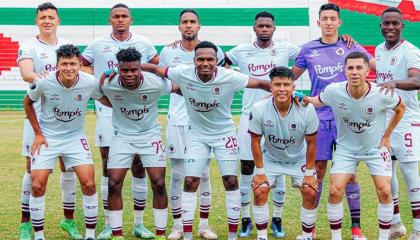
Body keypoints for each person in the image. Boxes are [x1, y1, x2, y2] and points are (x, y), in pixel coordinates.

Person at [139, 40, 271, 240]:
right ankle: (188, 235)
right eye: (200, 59)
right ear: (194, 60)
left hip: (224, 134)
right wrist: (121, 69)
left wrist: (286, 92)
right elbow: (156, 69)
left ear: (217, 61)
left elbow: (261, 83)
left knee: (231, 180)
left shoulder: (230, 77)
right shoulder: (182, 72)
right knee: (190, 180)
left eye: (210, 59)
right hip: (197, 135)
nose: (205, 63)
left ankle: (232, 236)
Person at [291, 3, 375, 239]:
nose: (328, 22)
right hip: (319, 118)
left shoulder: (350, 46)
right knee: (317, 171)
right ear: (318, 23)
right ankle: (310, 229)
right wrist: (277, 89)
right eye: (324, 18)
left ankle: (356, 228)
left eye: (333, 18)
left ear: (340, 23)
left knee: (350, 173)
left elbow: (374, 66)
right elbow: (291, 77)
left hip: (347, 118)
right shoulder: (308, 48)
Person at [304, 51, 405, 240]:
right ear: (344, 71)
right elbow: (315, 102)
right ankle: (336, 237)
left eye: (359, 67)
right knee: (335, 190)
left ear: (368, 70)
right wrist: (298, 98)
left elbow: (400, 108)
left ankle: (383, 237)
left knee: (384, 190)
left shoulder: (381, 93)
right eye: (350, 68)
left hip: (375, 150)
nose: (354, 72)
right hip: (346, 150)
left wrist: (387, 136)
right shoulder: (334, 90)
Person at [80, 3, 159, 239]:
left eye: (124, 16)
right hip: (107, 108)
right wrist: (99, 83)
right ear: (110, 20)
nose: (120, 20)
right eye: (116, 16)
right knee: (108, 164)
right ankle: (109, 223)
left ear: (131, 20)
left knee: (138, 164)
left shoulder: (143, 42)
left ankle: (138, 223)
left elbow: (155, 66)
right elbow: (84, 65)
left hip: (136, 109)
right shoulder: (97, 44)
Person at [23, 44, 111, 240]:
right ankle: (39, 236)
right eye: (64, 64)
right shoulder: (44, 83)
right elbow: (27, 102)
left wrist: (124, 105)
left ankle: (89, 235)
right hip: (48, 137)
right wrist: (38, 134)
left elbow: (105, 99)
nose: (69, 68)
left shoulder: (89, 82)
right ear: (57, 65)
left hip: (75, 137)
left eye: (72, 63)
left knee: (89, 183)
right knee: (37, 185)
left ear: (80, 64)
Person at [224, 11, 299, 237]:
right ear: (254, 28)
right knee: (247, 167)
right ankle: (246, 219)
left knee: (280, 165)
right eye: (260, 26)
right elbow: (221, 61)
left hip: (279, 116)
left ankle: (276, 218)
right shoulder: (241, 51)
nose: (264, 29)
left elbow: (311, 54)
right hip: (249, 115)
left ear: (274, 29)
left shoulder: (286, 48)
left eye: (268, 26)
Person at [98, 47, 178, 240]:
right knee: (114, 183)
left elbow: (178, 87)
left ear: (140, 68)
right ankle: (117, 234)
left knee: (158, 183)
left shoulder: (156, 84)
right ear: (118, 68)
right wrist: (106, 76)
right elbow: (96, 93)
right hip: (121, 137)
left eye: (134, 69)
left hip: (150, 136)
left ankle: (159, 234)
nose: (130, 74)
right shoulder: (109, 84)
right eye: (124, 70)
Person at [159, 9, 224, 240]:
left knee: (204, 174)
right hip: (177, 120)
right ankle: (177, 226)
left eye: (193, 22)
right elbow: (157, 76)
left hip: (204, 122)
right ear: (179, 26)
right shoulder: (168, 51)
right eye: (184, 22)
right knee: (177, 175)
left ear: (199, 26)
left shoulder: (212, 51)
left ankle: (204, 225)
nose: (188, 25)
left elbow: (224, 76)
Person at [17, 2, 79, 239]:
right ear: (36, 21)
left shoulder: (66, 46)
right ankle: (25, 223)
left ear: (58, 20)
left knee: (68, 167)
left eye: (51, 17)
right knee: (32, 170)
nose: (47, 20)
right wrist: (54, 79)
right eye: (42, 17)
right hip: (38, 118)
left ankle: (68, 221)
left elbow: (79, 71)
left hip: (65, 119)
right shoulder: (29, 46)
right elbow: (26, 73)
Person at [248, 66, 319, 240]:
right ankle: (262, 236)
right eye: (277, 84)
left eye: (286, 85)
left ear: (293, 87)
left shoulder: (306, 108)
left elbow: (312, 143)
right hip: (271, 158)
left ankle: (307, 235)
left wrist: (309, 174)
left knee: (310, 191)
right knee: (259, 190)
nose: (281, 89)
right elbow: (255, 141)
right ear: (270, 87)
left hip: (298, 159)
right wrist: (260, 171)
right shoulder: (259, 108)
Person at [375, 7, 420, 240]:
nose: (390, 27)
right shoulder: (380, 50)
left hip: (406, 119)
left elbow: (417, 80)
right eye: (386, 23)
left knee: (409, 172)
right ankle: (396, 224)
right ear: (380, 25)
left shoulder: (410, 51)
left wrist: (395, 83)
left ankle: (418, 229)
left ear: (403, 26)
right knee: (386, 171)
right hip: (383, 120)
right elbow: (375, 70)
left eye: (395, 23)